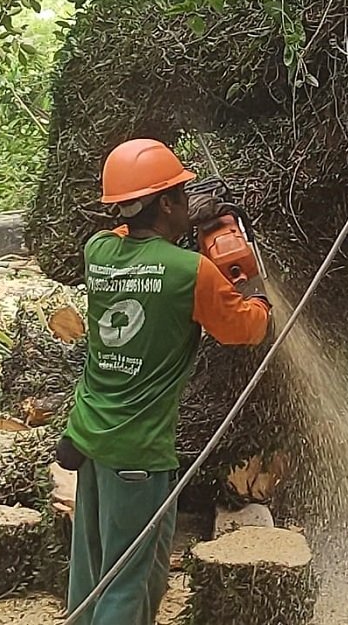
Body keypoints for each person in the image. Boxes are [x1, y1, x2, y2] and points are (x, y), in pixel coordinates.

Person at [60, 138, 271, 625]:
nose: (187, 202)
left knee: (104, 572)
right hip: (139, 452)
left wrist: (185, 222)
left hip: (91, 437)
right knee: (126, 584)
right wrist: (251, 285)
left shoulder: (99, 250)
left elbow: (132, 235)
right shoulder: (189, 272)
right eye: (180, 194)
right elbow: (246, 328)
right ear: (167, 204)